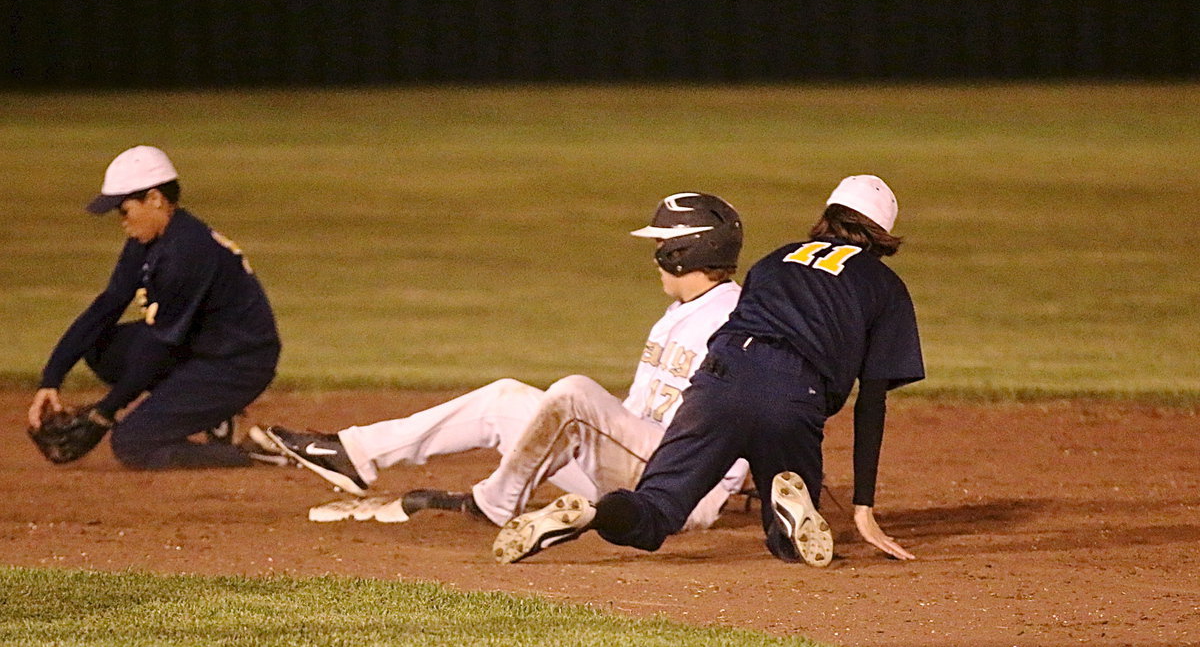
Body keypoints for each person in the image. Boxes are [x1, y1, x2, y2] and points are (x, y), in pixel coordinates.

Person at [493, 174, 924, 565]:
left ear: (828, 216)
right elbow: (871, 402)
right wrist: (862, 508)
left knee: (655, 510)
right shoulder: (885, 287)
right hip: (795, 394)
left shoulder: (775, 260)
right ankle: (788, 510)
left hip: (721, 376)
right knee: (790, 545)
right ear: (881, 232)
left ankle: (593, 512)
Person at [266, 192, 750, 531]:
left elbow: (757, 408)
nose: (655, 256)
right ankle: (356, 453)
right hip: (636, 472)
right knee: (505, 400)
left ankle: (495, 505)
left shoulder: (735, 320)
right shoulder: (682, 313)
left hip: (680, 493)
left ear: (689, 251)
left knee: (575, 392)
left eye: (661, 246)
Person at [26, 145, 282, 469]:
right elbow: (107, 306)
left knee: (134, 444)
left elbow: (159, 348)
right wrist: (51, 378)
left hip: (238, 363)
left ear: (155, 199)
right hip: (202, 347)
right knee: (102, 347)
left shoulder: (186, 253)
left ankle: (256, 451)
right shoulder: (151, 240)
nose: (122, 221)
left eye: (124, 210)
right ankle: (210, 413)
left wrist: (105, 412)